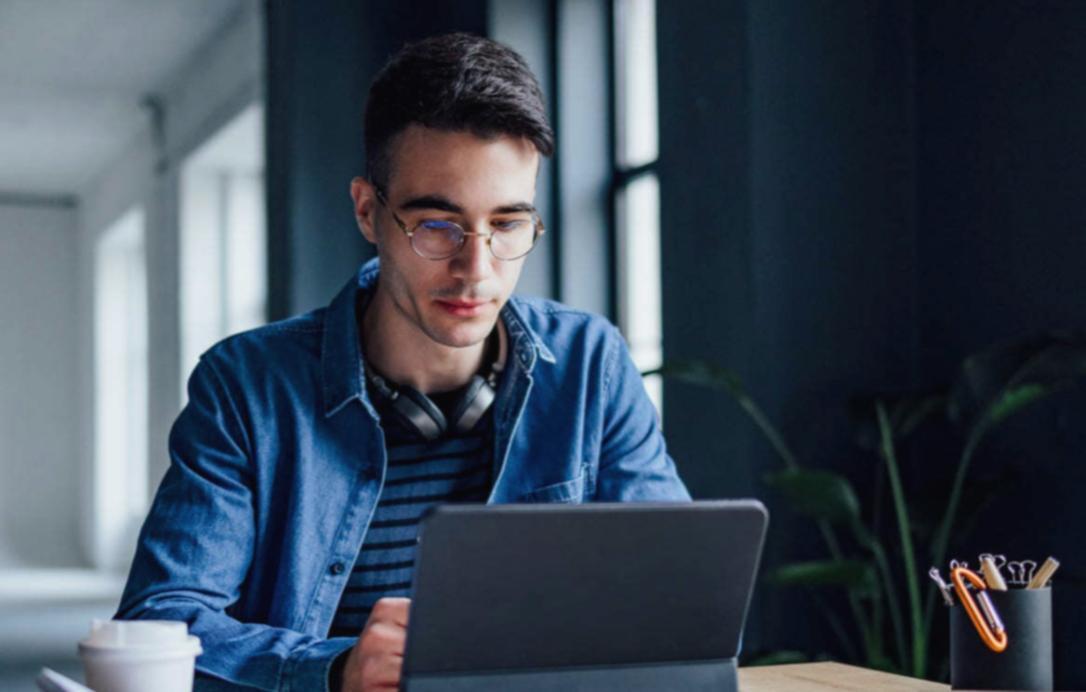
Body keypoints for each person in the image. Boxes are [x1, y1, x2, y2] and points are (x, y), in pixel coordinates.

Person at [116, 32, 689, 691]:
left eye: (507, 225)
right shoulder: (245, 387)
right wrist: (332, 669)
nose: (476, 270)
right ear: (368, 210)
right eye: (437, 225)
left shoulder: (592, 365)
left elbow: (680, 610)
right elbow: (159, 627)